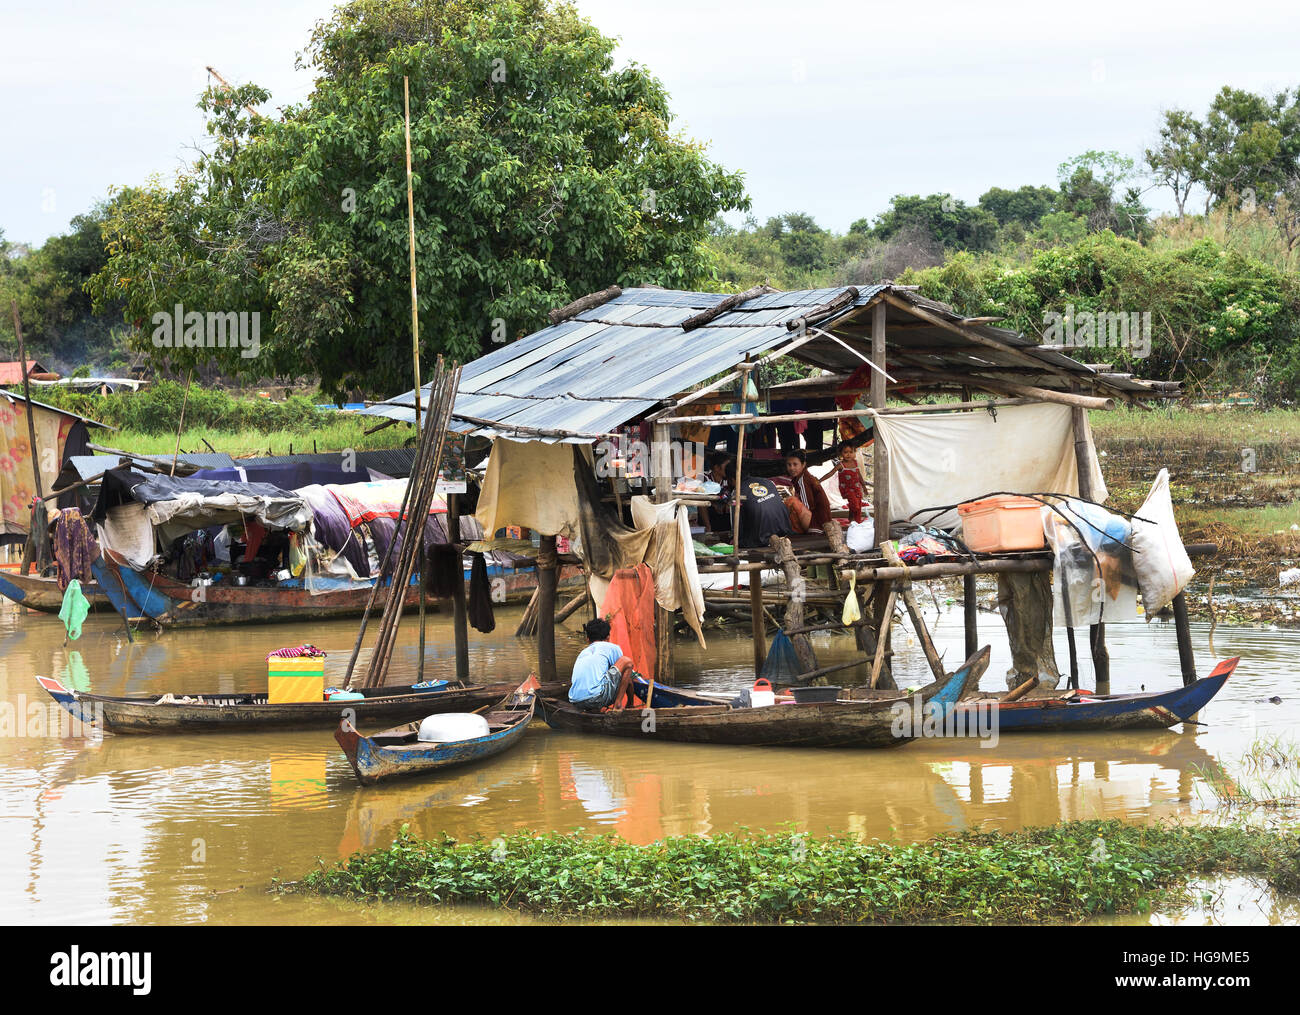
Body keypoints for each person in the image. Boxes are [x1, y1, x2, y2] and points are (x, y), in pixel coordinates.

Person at [568, 618, 637, 711]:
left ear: (587, 639)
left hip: (574, 699)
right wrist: (631, 701)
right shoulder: (612, 647)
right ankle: (619, 705)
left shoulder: (583, 653)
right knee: (626, 662)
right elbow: (627, 677)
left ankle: (594, 710)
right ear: (608, 637)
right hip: (596, 698)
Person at [724, 463, 792, 548]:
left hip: (760, 538)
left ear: (732, 479)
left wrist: (736, 540)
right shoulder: (768, 481)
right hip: (784, 531)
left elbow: (736, 522)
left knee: (740, 541)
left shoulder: (736, 493)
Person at [783, 448, 834, 533]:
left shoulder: (803, 480)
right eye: (789, 465)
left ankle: (802, 531)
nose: (791, 468)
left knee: (791, 501)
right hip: (821, 521)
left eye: (795, 464)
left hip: (817, 523)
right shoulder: (802, 477)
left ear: (803, 465)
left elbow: (807, 506)